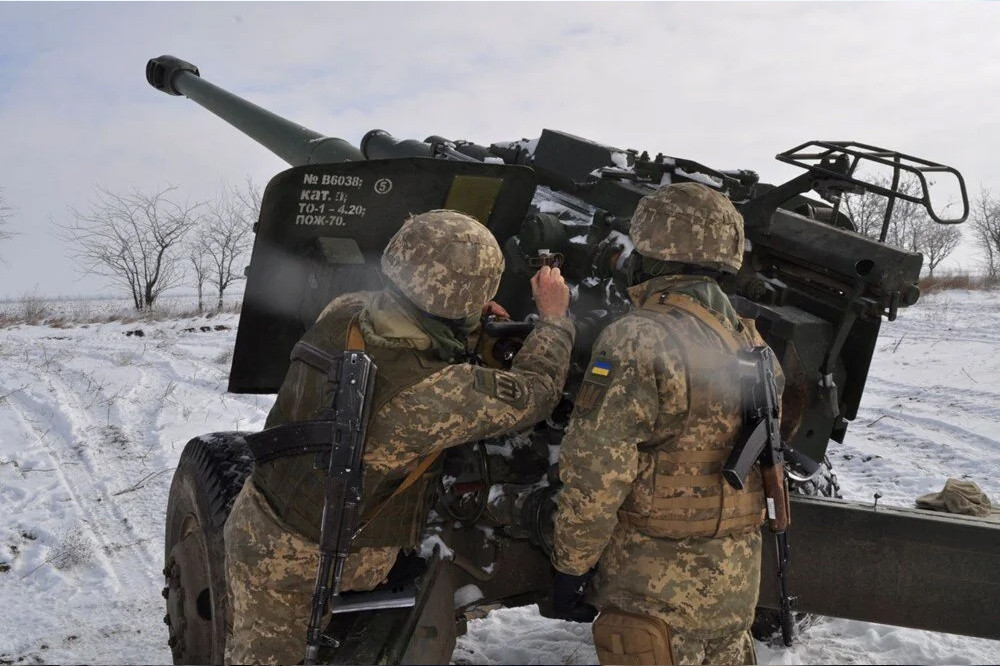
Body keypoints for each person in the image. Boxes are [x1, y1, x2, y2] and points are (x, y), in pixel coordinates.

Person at [223, 209, 574, 665]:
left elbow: (410, 320)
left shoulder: (345, 310)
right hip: (325, 559)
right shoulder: (430, 394)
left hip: (259, 514)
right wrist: (553, 321)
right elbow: (537, 392)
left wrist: (465, 320)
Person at [549, 183, 782, 665]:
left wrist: (570, 568)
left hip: (654, 593)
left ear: (652, 253)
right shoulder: (751, 341)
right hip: (734, 585)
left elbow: (598, 471)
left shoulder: (639, 336)